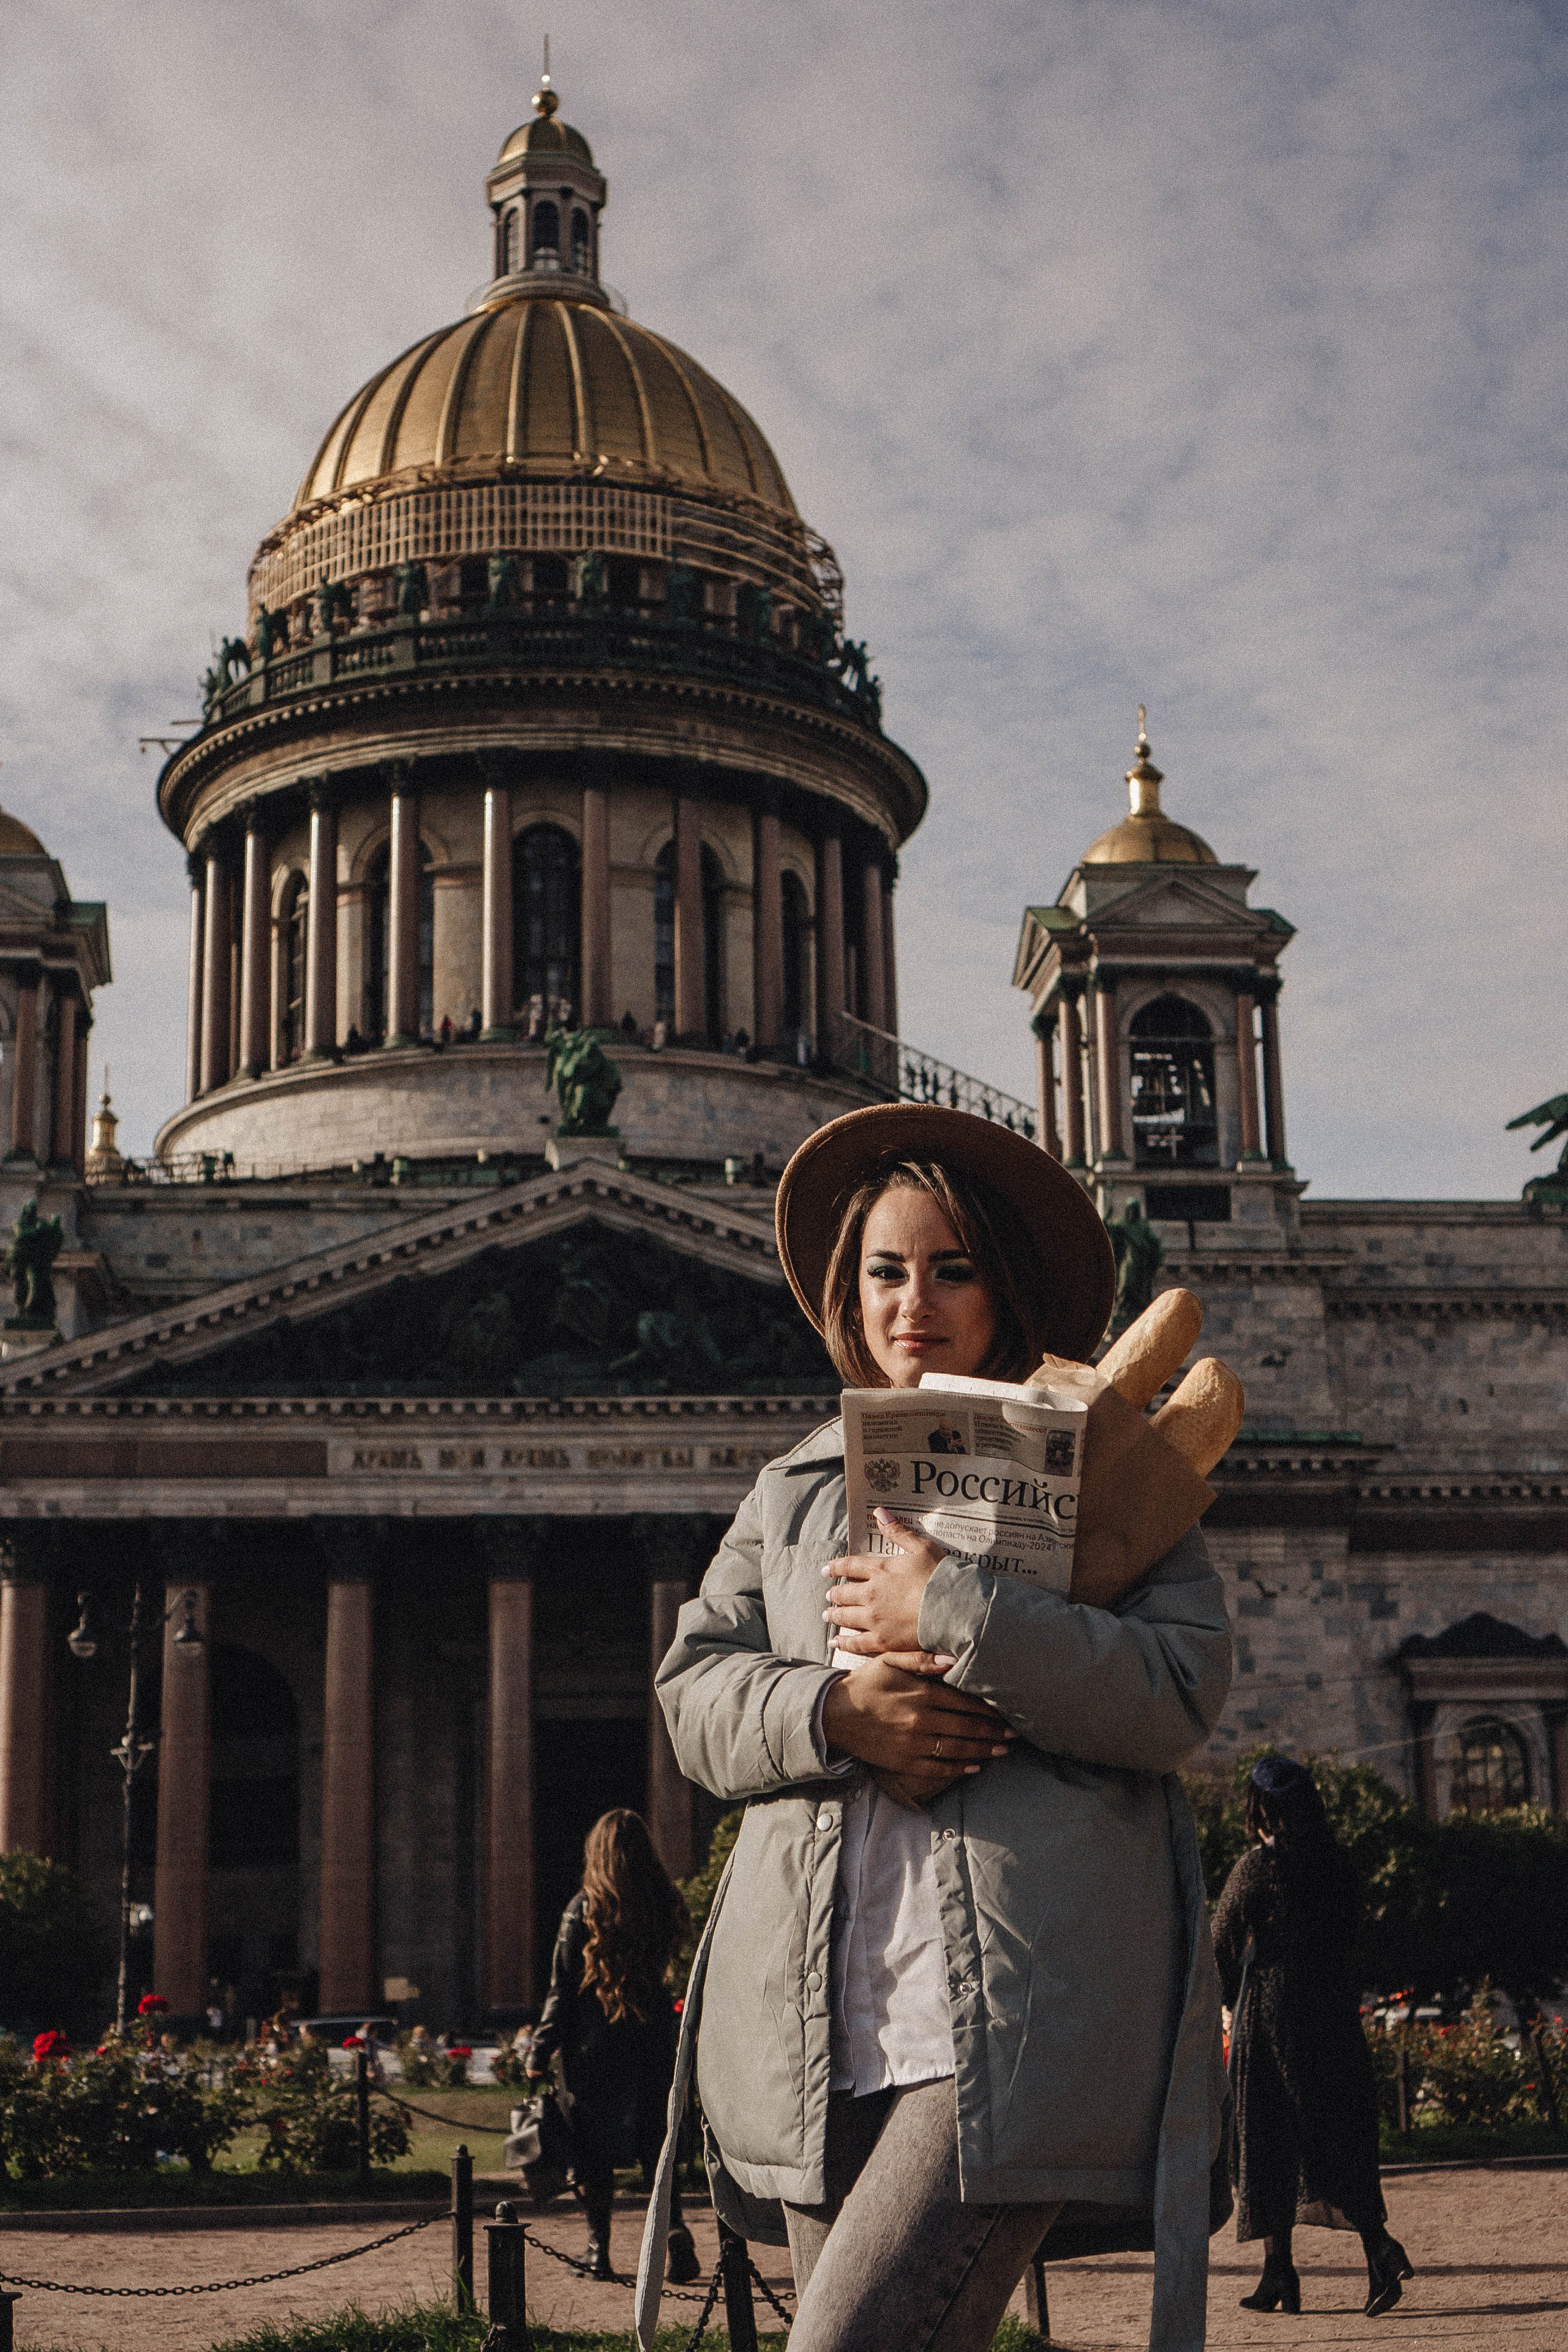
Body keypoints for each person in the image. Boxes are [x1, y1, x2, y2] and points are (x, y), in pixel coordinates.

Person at [636, 1101, 1234, 2352]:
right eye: (886, 1272)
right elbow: (693, 1693)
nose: (915, 1302)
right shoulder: (793, 1490)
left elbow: (1177, 1691)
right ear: (847, 1299)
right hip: (819, 2019)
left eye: (952, 1269)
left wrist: (951, 1608)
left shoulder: (1105, 1473)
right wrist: (833, 1710)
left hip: (999, 2021)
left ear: (1003, 1291)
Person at [1213, 1755, 1414, 2318]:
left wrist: (1226, 2003)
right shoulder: (1340, 1864)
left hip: (1272, 2022)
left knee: (1267, 2141)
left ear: (1261, 1809)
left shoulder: (1257, 1869)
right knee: (1336, 2138)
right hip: (1332, 2020)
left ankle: (1293, 2268)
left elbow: (1220, 1945)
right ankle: (1352, 2256)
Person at [529, 1809, 700, 2285]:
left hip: (593, 2048)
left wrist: (538, 2051)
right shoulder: (664, 1904)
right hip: (653, 2039)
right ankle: (676, 2231)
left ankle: (598, 2250)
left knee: (592, 2154)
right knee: (657, 2148)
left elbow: (562, 1990)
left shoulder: (583, 1908)